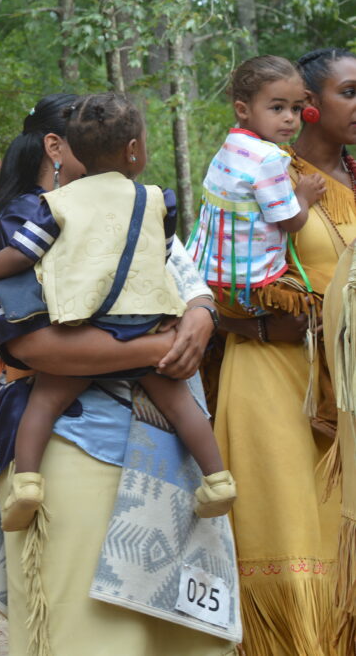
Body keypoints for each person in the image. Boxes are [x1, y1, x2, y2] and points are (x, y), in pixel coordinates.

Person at [0, 94, 235, 656]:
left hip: (161, 453)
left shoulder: (137, 213)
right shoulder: (22, 226)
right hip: (73, 445)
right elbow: (33, 349)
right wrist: (158, 344)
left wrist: (200, 314)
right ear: (57, 148)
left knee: (166, 629)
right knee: (85, 625)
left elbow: (189, 280)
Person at [0, 92, 234, 530]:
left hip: (86, 323)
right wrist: (161, 339)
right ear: (133, 149)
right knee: (182, 405)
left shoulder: (55, 209)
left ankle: (27, 484)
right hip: (146, 325)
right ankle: (219, 479)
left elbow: (20, 256)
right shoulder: (154, 200)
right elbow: (165, 259)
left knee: (46, 401)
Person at [213, 46, 356, 655]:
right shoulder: (260, 170)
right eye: (349, 91)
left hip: (346, 395)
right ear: (310, 107)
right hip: (278, 381)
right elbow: (218, 278)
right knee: (293, 542)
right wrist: (266, 326)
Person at [187, 55, 327, 310]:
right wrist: (305, 196)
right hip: (249, 285)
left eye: (296, 108)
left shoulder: (232, 144)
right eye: (277, 108)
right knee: (318, 306)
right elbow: (291, 221)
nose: (290, 118)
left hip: (208, 273)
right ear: (243, 110)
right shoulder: (269, 158)